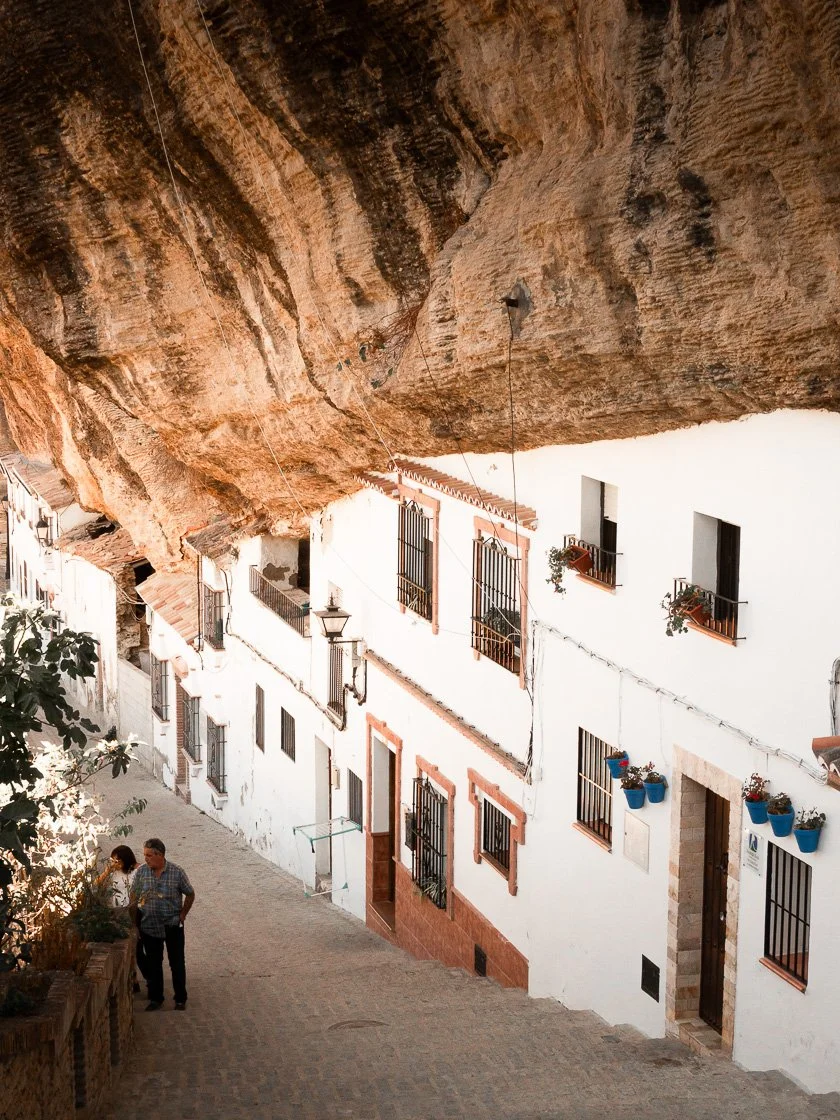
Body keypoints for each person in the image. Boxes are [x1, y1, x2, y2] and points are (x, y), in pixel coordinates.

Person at [131, 837, 195, 1011]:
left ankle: (180, 998)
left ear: (160, 855)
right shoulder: (141, 873)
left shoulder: (177, 872)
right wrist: (134, 923)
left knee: (177, 963)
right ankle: (156, 998)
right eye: (145, 855)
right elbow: (133, 897)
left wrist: (183, 914)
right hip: (149, 926)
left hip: (172, 925)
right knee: (154, 964)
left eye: (149, 855)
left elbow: (190, 893)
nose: (145, 859)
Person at [97, 844, 145, 993]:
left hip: (133, 912)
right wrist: (107, 871)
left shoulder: (138, 871)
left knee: (136, 948)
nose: (114, 863)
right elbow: (97, 885)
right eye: (113, 860)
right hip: (116, 911)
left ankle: (142, 977)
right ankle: (133, 977)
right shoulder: (113, 872)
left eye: (117, 861)